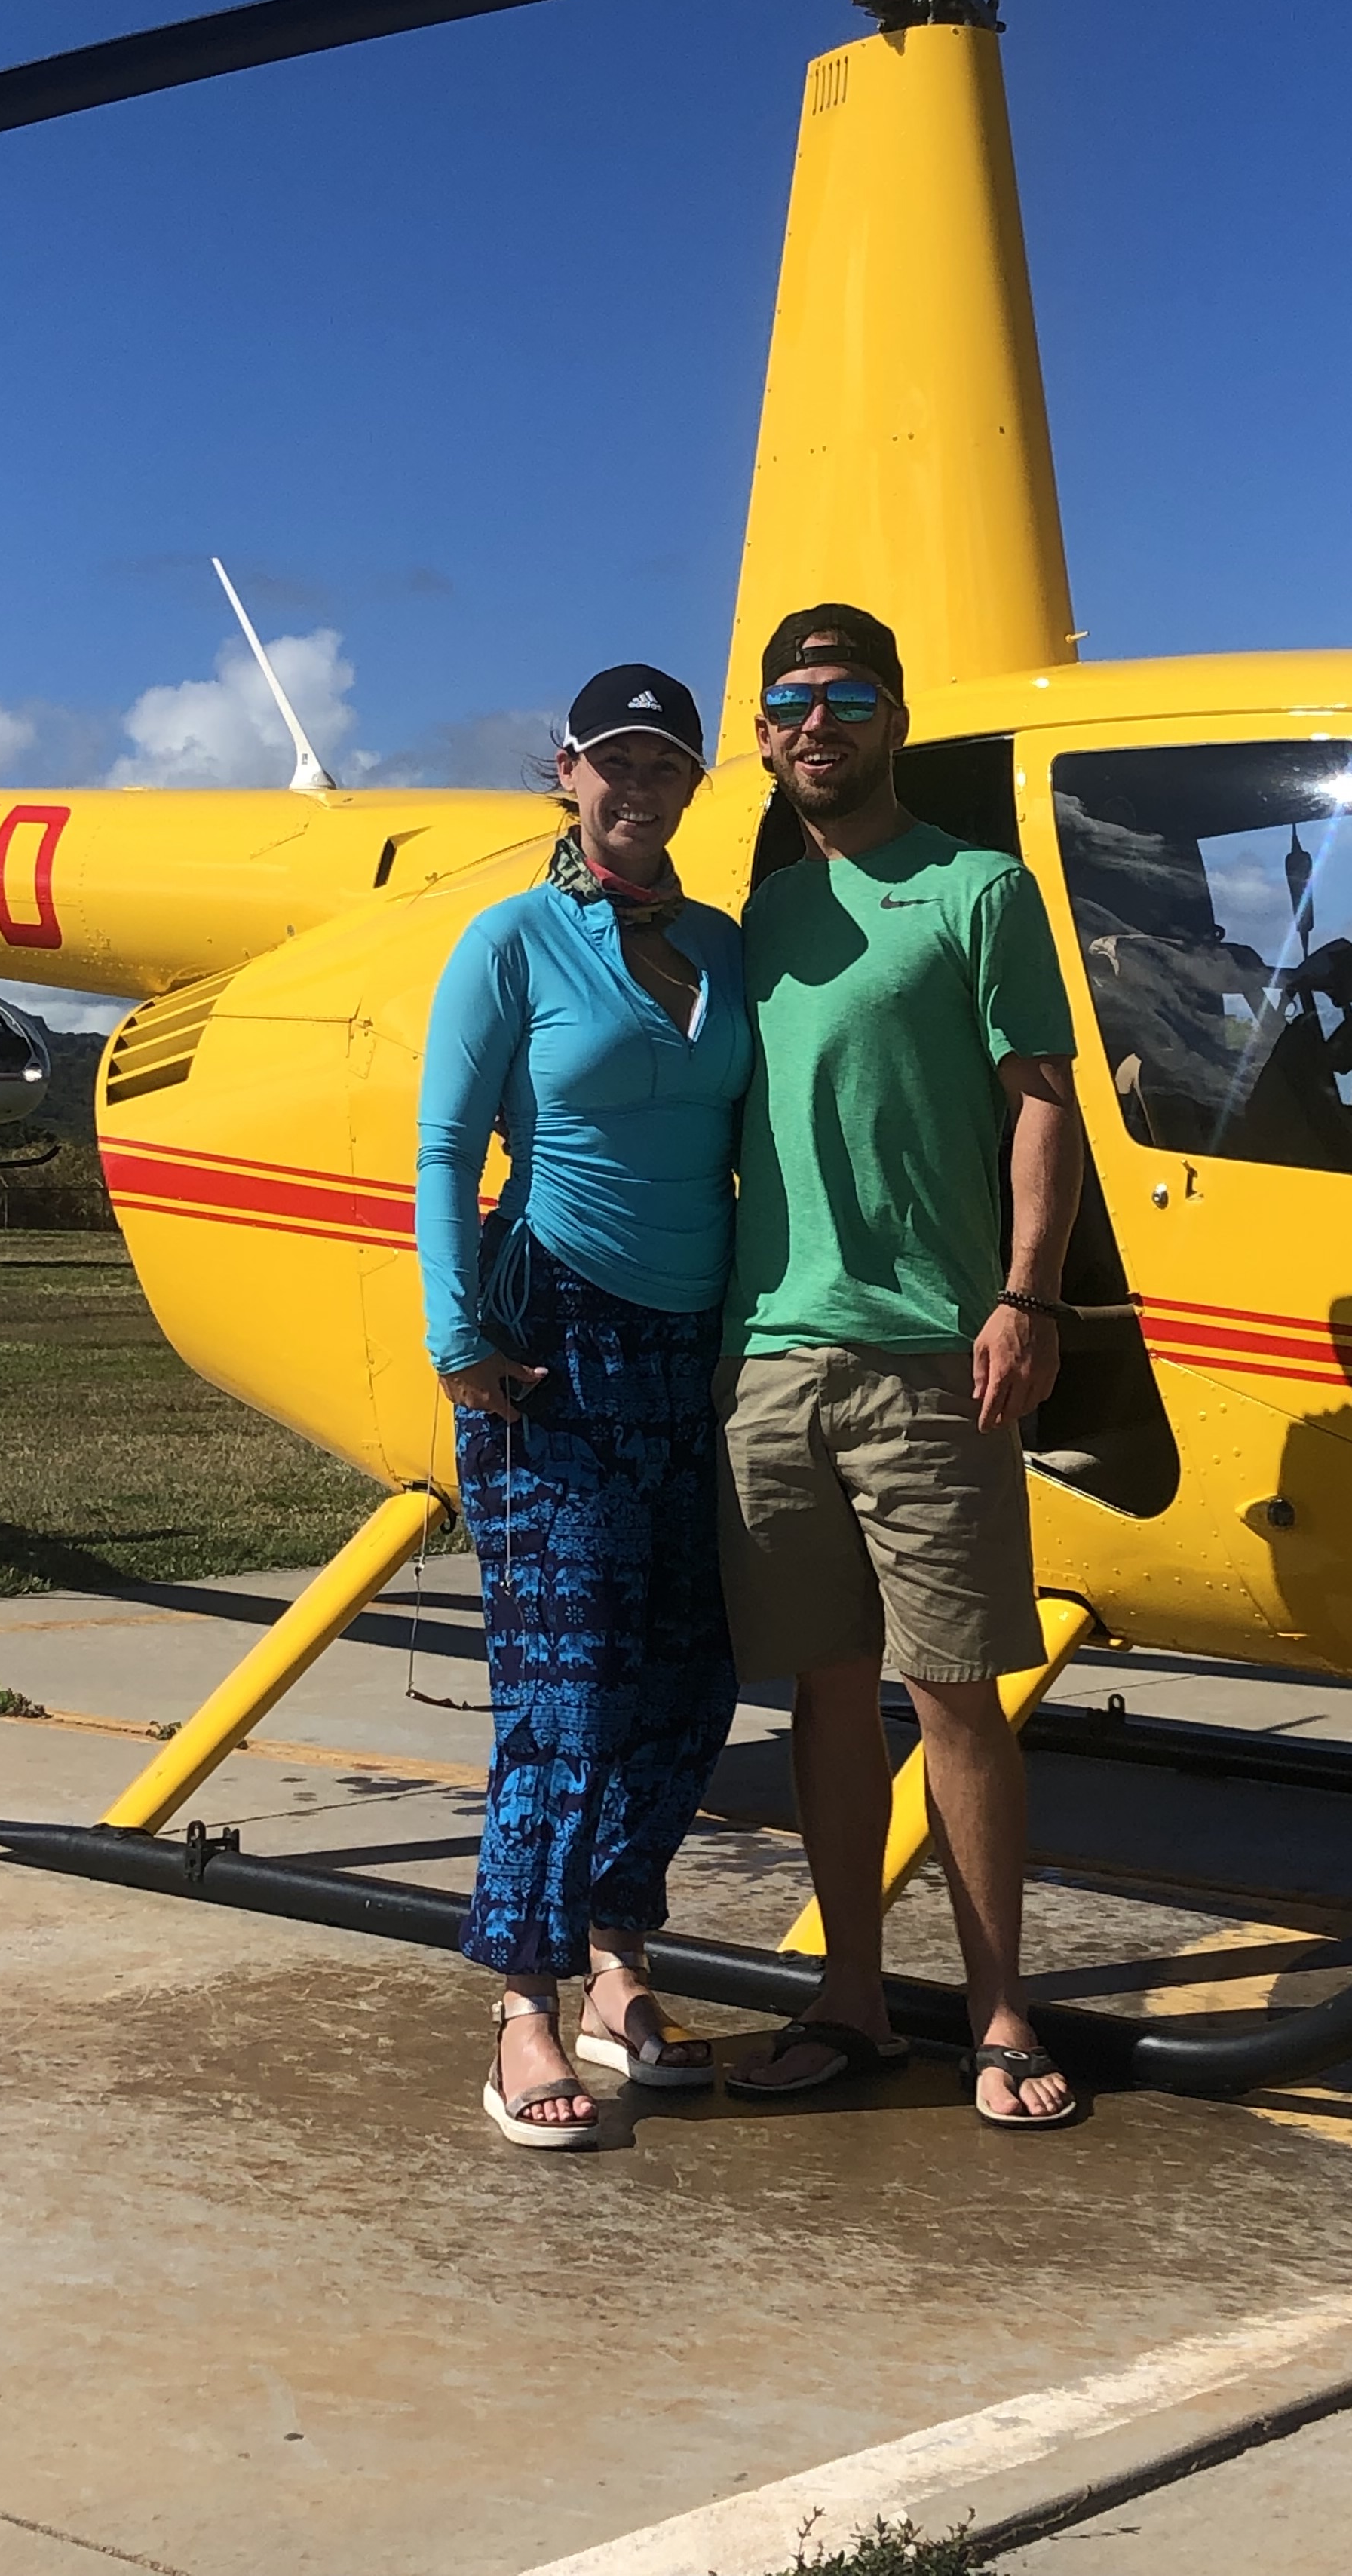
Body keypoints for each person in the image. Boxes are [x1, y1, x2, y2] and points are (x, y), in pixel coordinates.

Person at [716, 604, 1085, 2129]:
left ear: (896, 720)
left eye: (850, 697)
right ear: (763, 735)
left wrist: (1026, 1296)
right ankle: (851, 2000)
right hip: (766, 1360)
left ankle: (1000, 2014)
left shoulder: (978, 888)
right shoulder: (753, 924)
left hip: (930, 1354)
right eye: (795, 700)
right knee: (822, 1698)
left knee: (955, 1695)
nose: (821, 722)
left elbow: (1043, 1099)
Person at [416, 664, 752, 2150]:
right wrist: (458, 1336)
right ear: (568, 772)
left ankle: (620, 1961)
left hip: (694, 1346)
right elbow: (445, 1147)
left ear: (690, 785)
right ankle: (523, 2002)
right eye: (615, 760)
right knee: (566, 1692)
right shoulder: (511, 941)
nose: (638, 786)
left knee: (687, 1679)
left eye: (665, 764)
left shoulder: (723, 947)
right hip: (553, 1334)